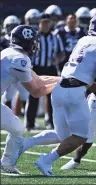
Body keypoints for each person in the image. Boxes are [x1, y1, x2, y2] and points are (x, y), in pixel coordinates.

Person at [25, 14, 96, 176]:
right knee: (81, 136)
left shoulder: (83, 39)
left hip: (59, 88)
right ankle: (46, 159)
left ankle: (25, 143)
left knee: (63, 135)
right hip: (75, 92)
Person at [0, 25, 61, 174]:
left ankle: (6, 163)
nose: (35, 45)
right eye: (33, 42)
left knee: (17, 128)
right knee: (17, 128)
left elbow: (38, 79)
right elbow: (37, 91)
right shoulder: (20, 59)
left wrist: (62, 79)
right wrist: (64, 84)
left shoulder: (9, 53)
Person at [24, 13, 65, 130]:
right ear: (39, 23)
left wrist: (56, 59)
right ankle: (29, 123)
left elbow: (61, 53)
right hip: (36, 68)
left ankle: (51, 122)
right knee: (33, 96)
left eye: (48, 22)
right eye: (44, 22)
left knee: (52, 97)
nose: (46, 25)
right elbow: (26, 51)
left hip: (50, 68)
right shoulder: (34, 36)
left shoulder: (55, 37)